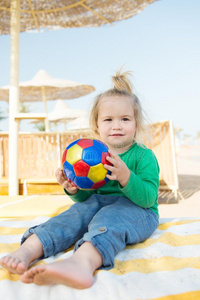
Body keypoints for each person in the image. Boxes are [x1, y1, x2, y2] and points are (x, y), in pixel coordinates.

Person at [0, 70, 160, 289]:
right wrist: (74, 190)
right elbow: (87, 199)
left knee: (109, 220)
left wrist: (126, 178)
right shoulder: (91, 153)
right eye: (108, 119)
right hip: (98, 205)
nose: (117, 125)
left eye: (125, 119)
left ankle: (81, 263)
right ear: (96, 125)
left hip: (138, 211)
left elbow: (149, 198)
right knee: (74, 215)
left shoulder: (143, 155)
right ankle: (29, 249)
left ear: (136, 123)